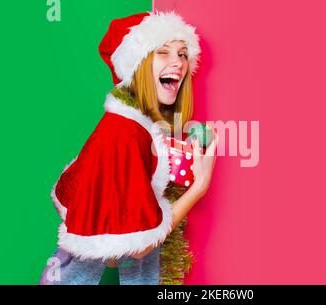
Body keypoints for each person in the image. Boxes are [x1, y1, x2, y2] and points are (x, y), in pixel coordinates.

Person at [39, 11, 218, 285]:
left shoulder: (139, 129)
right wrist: (200, 186)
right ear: (136, 64)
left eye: (183, 54)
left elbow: (113, 253)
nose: (178, 62)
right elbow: (139, 247)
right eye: (163, 51)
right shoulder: (122, 134)